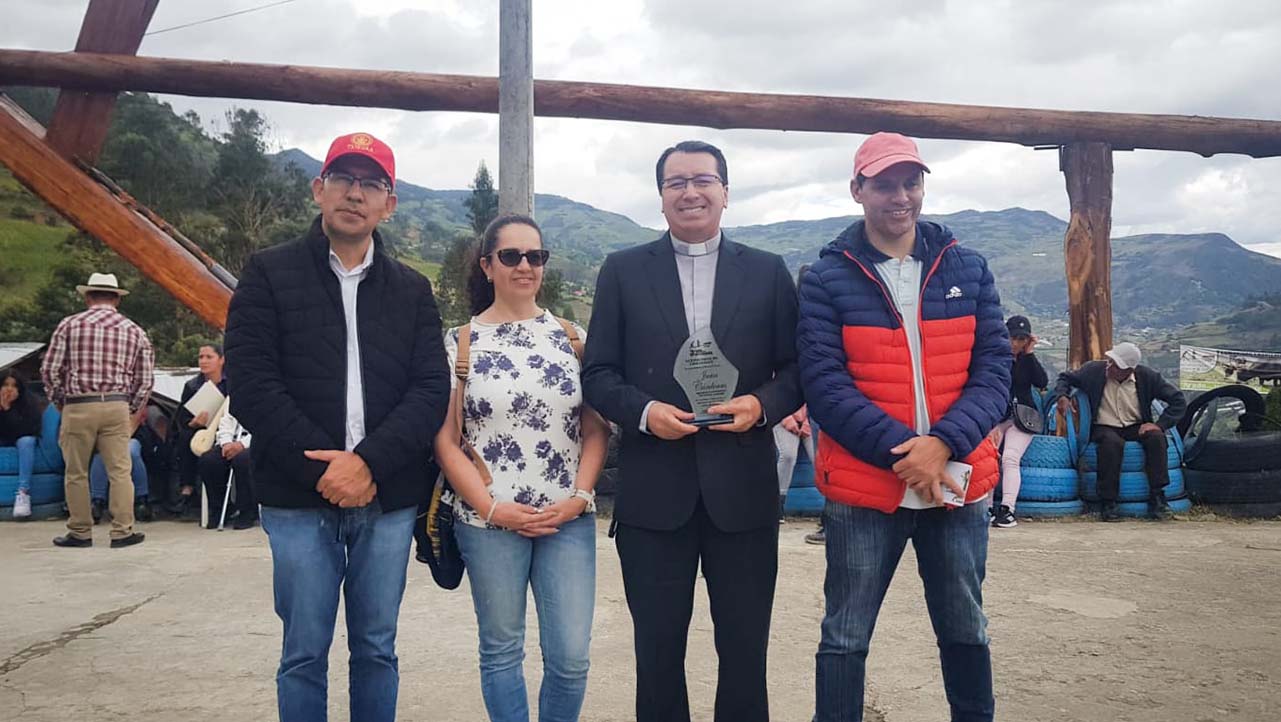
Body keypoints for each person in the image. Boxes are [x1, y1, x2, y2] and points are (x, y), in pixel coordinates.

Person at [225, 131, 450, 722]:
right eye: (344, 179)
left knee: (377, 648)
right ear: (318, 189)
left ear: (389, 203)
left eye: (371, 183)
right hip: (297, 498)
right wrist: (324, 469)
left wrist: (368, 462)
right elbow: (251, 382)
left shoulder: (412, 289)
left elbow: (431, 390)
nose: (356, 193)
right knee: (303, 652)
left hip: (389, 496)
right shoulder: (268, 273)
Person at [582, 140, 802, 722]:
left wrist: (762, 403)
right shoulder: (624, 271)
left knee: (745, 651)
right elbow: (598, 374)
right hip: (655, 495)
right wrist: (646, 413)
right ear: (660, 198)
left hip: (744, 493)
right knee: (656, 654)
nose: (690, 191)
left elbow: (800, 369)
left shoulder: (767, 272)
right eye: (676, 182)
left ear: (726, 193)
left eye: (703, 180)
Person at [797, 132, 1010, 722]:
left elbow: (994, 369)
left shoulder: (968, 266)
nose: (901, 196)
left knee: (966, 625)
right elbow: (825, 386)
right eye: (885, 183)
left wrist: (941, 445)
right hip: (867, 490)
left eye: (911, 182)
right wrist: (909, 455)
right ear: (857, 189)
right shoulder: (825, 278)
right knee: (845, 633)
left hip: (956, 481)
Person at [435, 214, 611, 722]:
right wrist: (491, 508)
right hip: (488, 521)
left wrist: (579, 496)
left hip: (567, 517)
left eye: (536, 256)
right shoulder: (459, 343)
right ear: (487, 265)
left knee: (572, 658)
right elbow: (446, 440)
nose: (525, 266)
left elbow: (595, 428)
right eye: (511, 256)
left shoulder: (572, 337)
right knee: (501, 651)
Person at [41, 272, 154, 548]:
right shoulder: (134, 330)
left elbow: (49, 370)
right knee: (119, 470)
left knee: (76, 471)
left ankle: (80, 531)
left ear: (88, 296)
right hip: (117, 405)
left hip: (79, 404)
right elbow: (146, 379)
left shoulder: (69, 325)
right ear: (116, 299)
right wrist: (131, 408)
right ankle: (122, 531)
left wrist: (59, 400)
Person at [1053, 341, 1186, 521]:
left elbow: (1178, 401)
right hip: (1103, 425)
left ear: (1129, 370)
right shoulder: (1093, 370)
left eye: (1116, 365)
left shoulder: (1148, 377)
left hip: (1135, 425)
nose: (1110, 367)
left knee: (1157, 438)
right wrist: (1063, 396)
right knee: (1111, 443)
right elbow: (1065, 378)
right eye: (1110, 361)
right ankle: (1108, 502)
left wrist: (1160, 425)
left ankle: (1158, 497)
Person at [989, 315, 1048, 528]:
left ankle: (1007, 509)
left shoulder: (1027, 360)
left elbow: (1042, 382)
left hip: (1023, 417)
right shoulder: (995, 358)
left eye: (1022, 339)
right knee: (988, 456)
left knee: (1010, 458)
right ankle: (985, 507)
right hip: (997, 416)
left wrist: (1030, 354)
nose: (1016, 343)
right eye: (1013, 338)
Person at [169, 344, 227, 515]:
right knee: (186, 437)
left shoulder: (231, 383)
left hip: (225, 428)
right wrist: (194, 422)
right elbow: (182, 417)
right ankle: (187, 488)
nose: (204, 361)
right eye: (201, 357)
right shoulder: (192, 386)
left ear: (221, 360)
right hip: (200, 430)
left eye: (209, 357)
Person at [196, 403, 257, 529]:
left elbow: (265, 428)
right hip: (231, 441)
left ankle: (247, 510)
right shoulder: (235, 396)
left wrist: (242, 445)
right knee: (209, 461)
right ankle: (220, 508)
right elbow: (225, 422)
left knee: (242, 460)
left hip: (253, 443)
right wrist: (226, 443)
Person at [89, 405, 152, 523]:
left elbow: (136, 417)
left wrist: (121, 440)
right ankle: (97, 501)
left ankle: (141, 500)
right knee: (101, 453)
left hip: (132, 434)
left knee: (131, 452)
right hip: (104, 435)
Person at [1, 370, 44, 519]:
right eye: (5, 385)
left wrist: (7, 410)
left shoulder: (29, 403)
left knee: (27, 441)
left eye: (14, 386)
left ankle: (23, 493)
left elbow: (26, 430)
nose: (9, 389)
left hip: (20, 437)